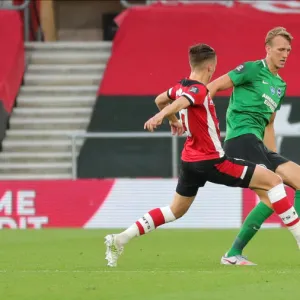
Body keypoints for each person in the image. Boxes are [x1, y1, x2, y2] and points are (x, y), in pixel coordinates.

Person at [105, 43, 300, 267]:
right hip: (214, 161)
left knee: (174, 210)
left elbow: (161, 99)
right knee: (274, 182)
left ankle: (121, 238)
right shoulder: (199, 90)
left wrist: (173, 120)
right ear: (210, 67)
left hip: (190, 161)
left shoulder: (179, 87)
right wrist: (163, 117)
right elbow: (182, 102)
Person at [207, 26, 300, 265]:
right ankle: (232, 255)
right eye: (280, 49)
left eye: (288, 50)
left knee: (297, 180)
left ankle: (234, 254)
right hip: (240, 139)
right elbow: (213, 87)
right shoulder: (249, 69)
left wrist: (272, 155)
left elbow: (269, 125)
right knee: (272, 196)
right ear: (268, 49)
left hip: (258, 144)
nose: (285, 54)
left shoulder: (280, 85)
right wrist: (201, 121)